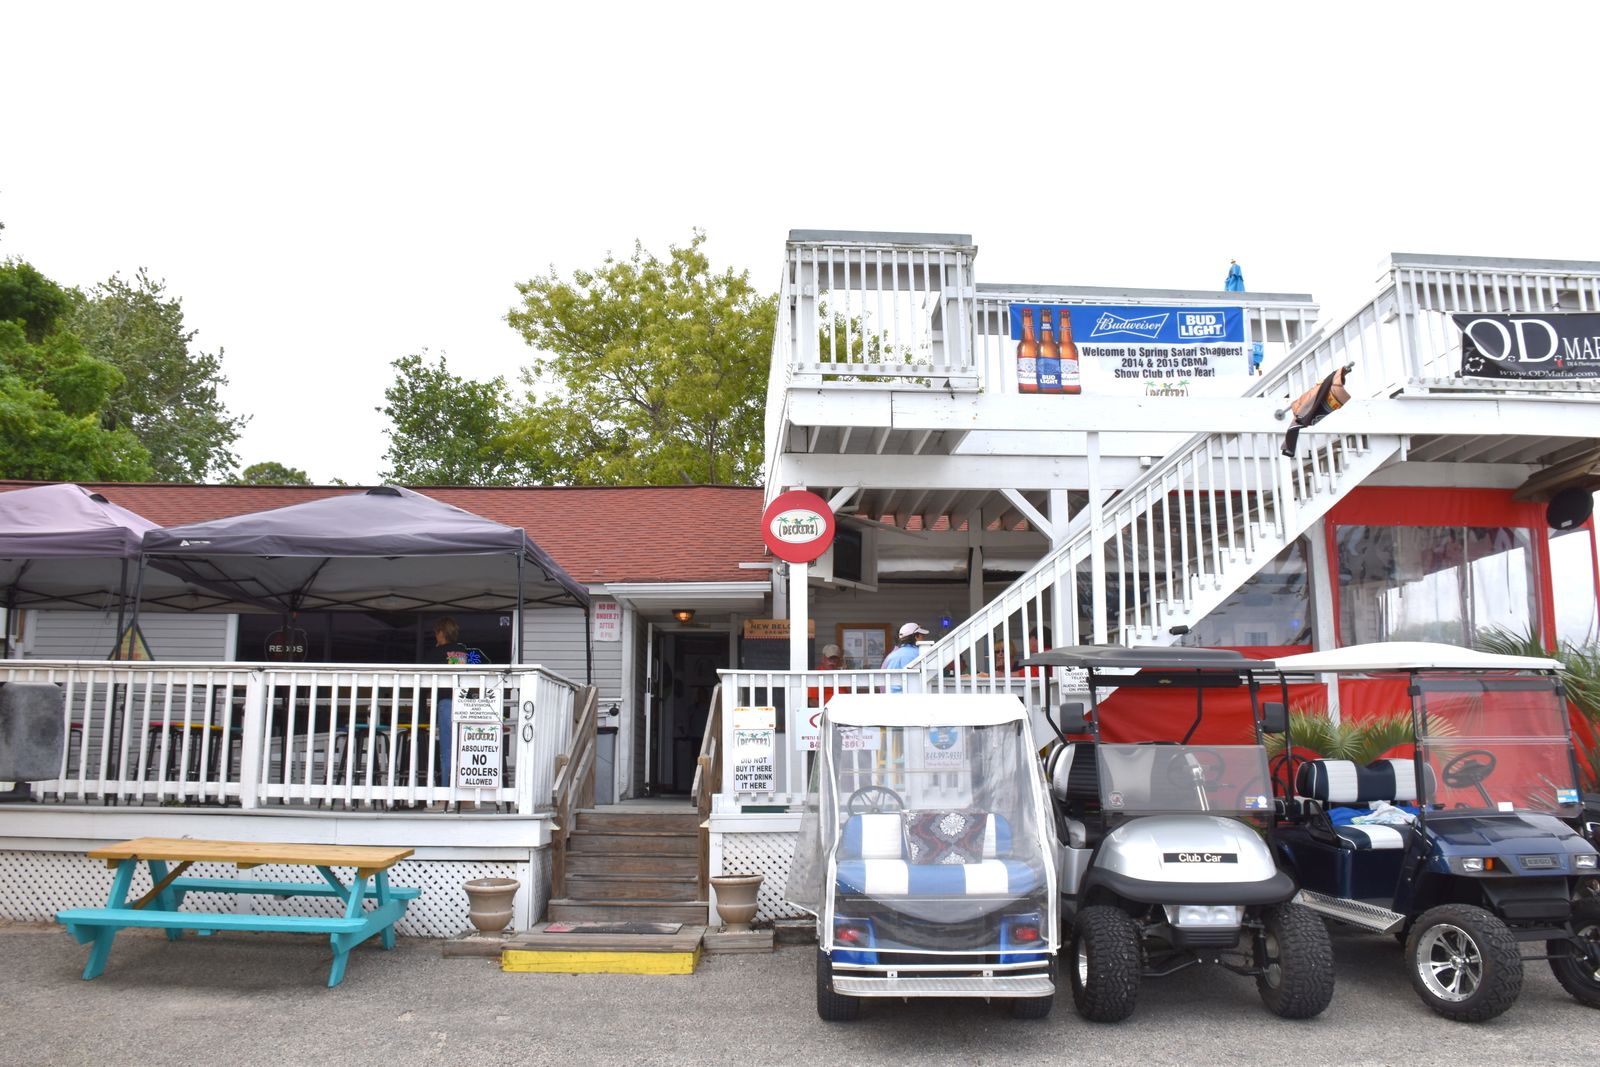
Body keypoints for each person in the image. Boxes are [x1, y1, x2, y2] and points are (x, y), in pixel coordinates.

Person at [427, 616, 470, 785]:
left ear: (441, 633)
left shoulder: (436, 653)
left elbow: (424, 671)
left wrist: (437, 649)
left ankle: (447, 790)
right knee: (463, 747)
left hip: (446, 702)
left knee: (447, 749)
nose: (435, 636)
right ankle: (462, 787)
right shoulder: (461, 651)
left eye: (436, 632)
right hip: (463, 702)